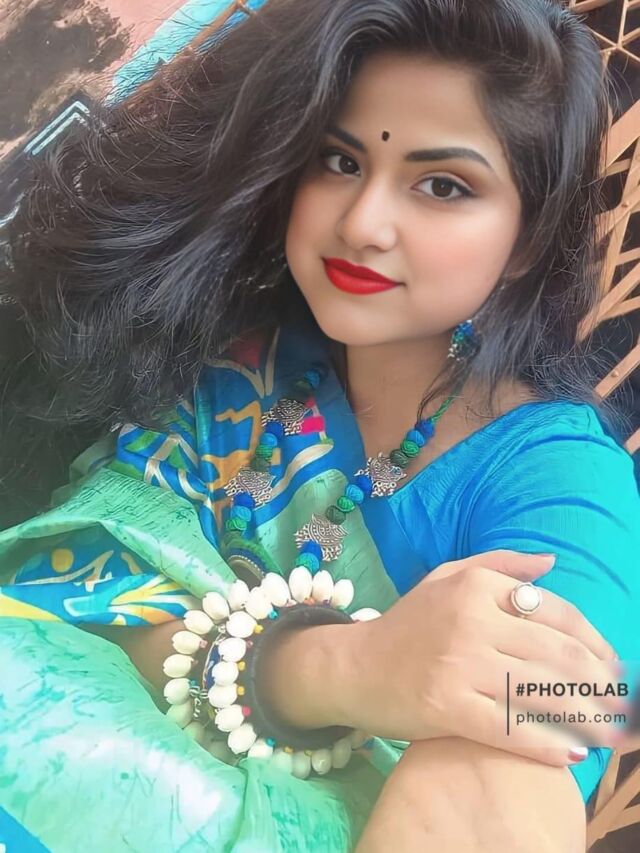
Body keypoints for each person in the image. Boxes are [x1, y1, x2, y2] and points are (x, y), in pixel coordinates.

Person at [1, 1, 639, 850]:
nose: (362, 223)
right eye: (340, 160)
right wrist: (339, 668)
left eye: (443, 185)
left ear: (526, 237)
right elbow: (79, 587)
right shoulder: (238, 364)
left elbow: (541, 747)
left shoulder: (561, 482)